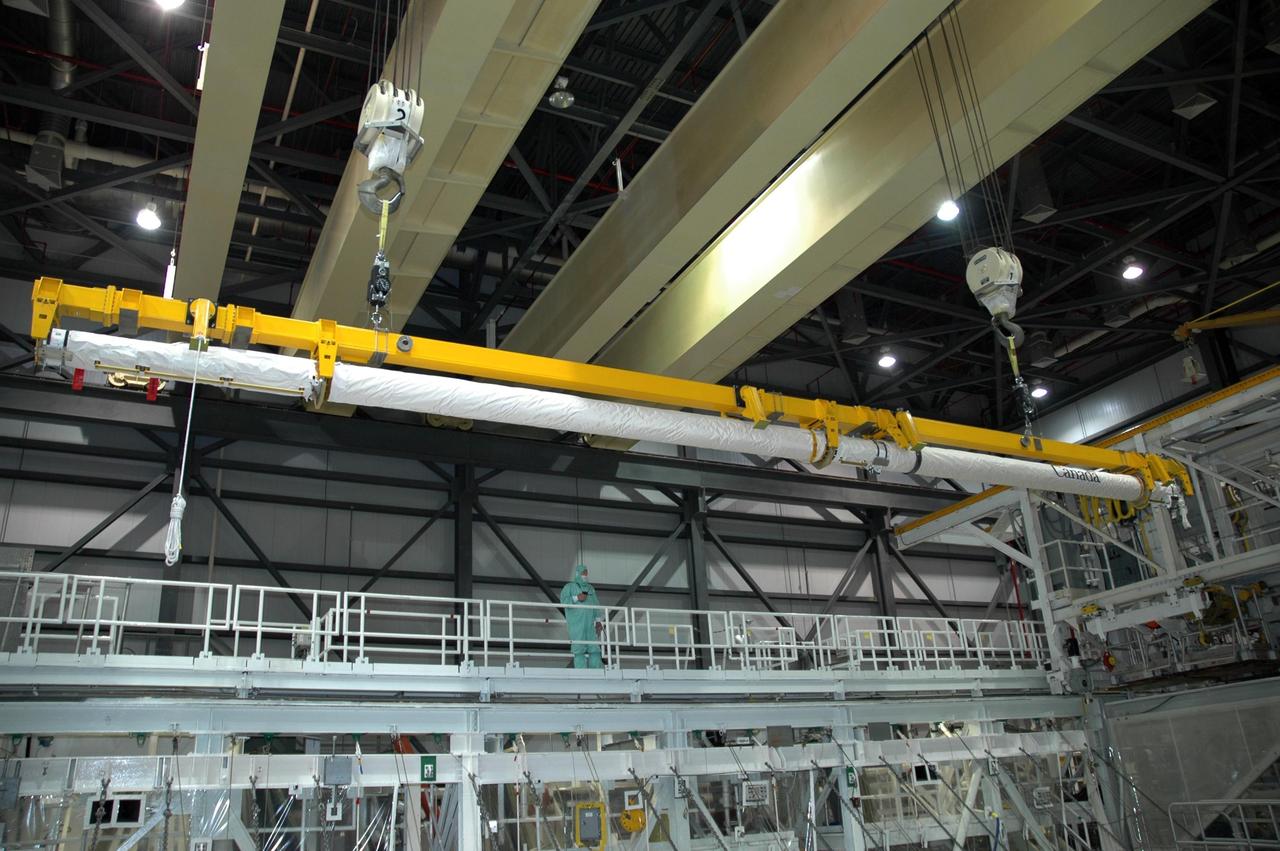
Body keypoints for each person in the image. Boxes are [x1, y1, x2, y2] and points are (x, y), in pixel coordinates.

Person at [560, 564, 603, 668]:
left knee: (594, 648)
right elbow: (563, 601)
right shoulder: (569, 587)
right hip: (576, 624)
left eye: (586, 573)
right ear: (578, 574)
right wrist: (576, 598)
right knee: (579, 649)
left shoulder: (590, 588)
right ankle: (581, 672)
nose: (585, 575)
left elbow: (596, 604)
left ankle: (596, 670)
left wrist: (598, 621)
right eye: (583, 573)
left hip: (589, 624)